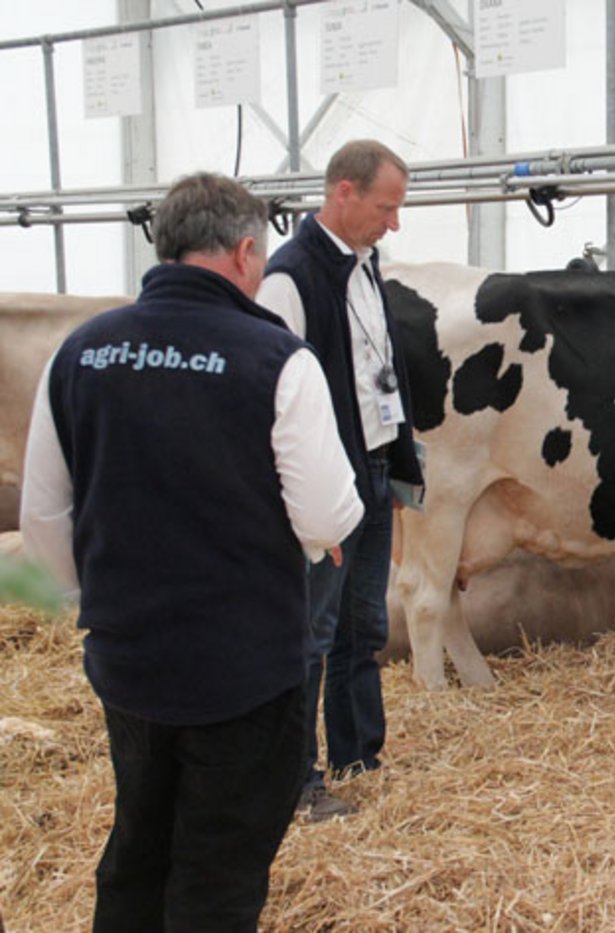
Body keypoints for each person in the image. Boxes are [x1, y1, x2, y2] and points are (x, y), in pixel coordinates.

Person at [19, 172, 363, 930]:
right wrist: (323, 536)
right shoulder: (278, 359)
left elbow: (42, 517)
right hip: (243, 672)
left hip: (130, 664)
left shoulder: (80, 353)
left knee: (139, 844)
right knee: (220, 869)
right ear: (246, 252)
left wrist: (106, 601)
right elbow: (327, 511)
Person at [257, 139, 424, 822]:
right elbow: (272, 397)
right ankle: (296, 779)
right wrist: (307, 506)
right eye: (386, 207)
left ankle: (360, 752)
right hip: (326, 485)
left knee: (363, 621)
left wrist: (397, 457)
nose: (394, 223)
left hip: (374, 467)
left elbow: (375, 366)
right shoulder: (288, 278)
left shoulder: (365, 264)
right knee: (310, 630)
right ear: (343, 193)